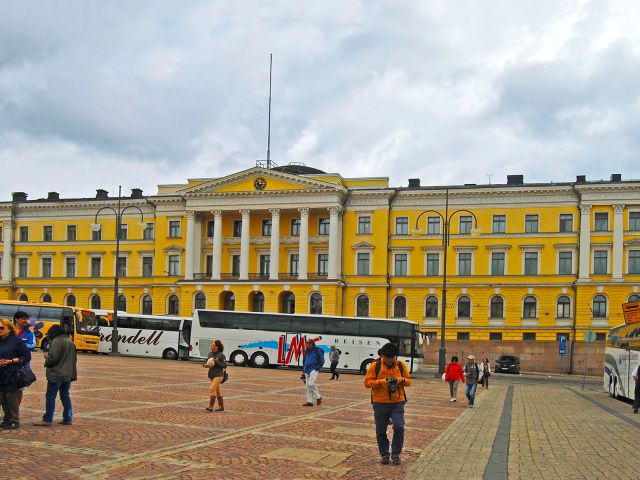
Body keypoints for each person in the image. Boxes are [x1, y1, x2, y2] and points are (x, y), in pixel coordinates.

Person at [364, 342, 411, 466]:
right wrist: (382, 382)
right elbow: (367, 383)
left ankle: (396, 453)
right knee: (380, 431)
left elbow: (408, 381)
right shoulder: (375, 366)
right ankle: (385, 454)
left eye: (392, 358)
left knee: (399, 427)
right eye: (387, 358)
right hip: (380, 403)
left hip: (397, 402)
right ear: (382, 356)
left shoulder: (401, 365)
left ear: (395, 357)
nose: (389, 360)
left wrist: (401, 380)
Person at [33, 325, 77, 426]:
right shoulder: (70, 342)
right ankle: (68, 417)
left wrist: (46, 359)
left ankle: (47, 419)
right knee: (65, 395)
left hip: (57, 373)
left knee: (50, 396)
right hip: (68, 374)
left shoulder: (57, 341)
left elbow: (53, 358)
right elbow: (74, 360)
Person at [0, 318, 32, 429]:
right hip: (1, 373)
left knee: (11, 397)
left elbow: (27, 357)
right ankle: (7, 418)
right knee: (2, 397)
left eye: (1, 328)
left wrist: (12, 361)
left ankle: (15, 420)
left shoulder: (17, 341)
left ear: (9, 329)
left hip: (13, 373)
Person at [13, 311, 35, 414]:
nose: (26, 320)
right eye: (23, 318)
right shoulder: (8, 330)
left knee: (19, 389)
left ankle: (15, 411)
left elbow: (32, 345)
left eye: (26, 318)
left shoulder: (30, 333)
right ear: (16, 319)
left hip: (22, 365)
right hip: (6, 363)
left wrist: (19, 345)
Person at [204, 340, 227, 412]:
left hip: (219, 375)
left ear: (216, 347)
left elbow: (225, 365)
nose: (211, 345)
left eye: (213, 344)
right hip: (211, 374)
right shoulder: (210, 354)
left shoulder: (221, 355)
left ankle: (211, 406)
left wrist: (218, 361)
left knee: (212, 388)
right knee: (217, 391)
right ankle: (221, 406)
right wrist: (205, 365)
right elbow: (207, 362)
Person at [301, 339, 324, 406]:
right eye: (306, 343)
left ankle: (318, 397)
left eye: (307, 343)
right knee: (307, 386)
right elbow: (304, 360)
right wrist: (303, 371)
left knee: (311, 384)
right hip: (307, 369)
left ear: (311, 343)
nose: (306, 344)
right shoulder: (306, 350)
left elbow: (321, 361)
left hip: (313, 369)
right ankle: (309, 402)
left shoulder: (318, 350)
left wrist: (316, 368)